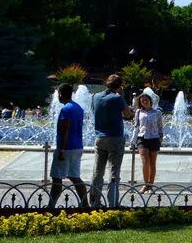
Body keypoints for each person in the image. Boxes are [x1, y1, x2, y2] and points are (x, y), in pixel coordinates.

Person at [90, 74, 131, 207]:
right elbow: (127, 114)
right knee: (114, 172)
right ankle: (113, 202)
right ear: (119, 86)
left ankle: (95, 202)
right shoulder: (117, 98)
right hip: (115, 138)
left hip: (99, 137)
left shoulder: (95, 97)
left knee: (97, 171)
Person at [49, 83, 88, 208]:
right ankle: (85, 204)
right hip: (77, 146)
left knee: (56, 179)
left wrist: (62, 149)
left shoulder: (66, 109)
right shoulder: (78, 108)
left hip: (66, 148)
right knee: (75, 177)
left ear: (60, 94)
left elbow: (65, 130)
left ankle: (51, 206)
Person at [131, 91, 164, 189]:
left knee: (152, 163)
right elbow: (136, 126)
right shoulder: (138, 112)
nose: (144, 102)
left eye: (146, 100)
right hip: (142, 138)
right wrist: (133, 141)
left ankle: (151, 185)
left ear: (150, 101)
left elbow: (160, 126)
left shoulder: (157, 112)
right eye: (142, 101)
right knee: (145, 162)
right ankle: (145, 185)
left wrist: (160, 138)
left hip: (154, 138)